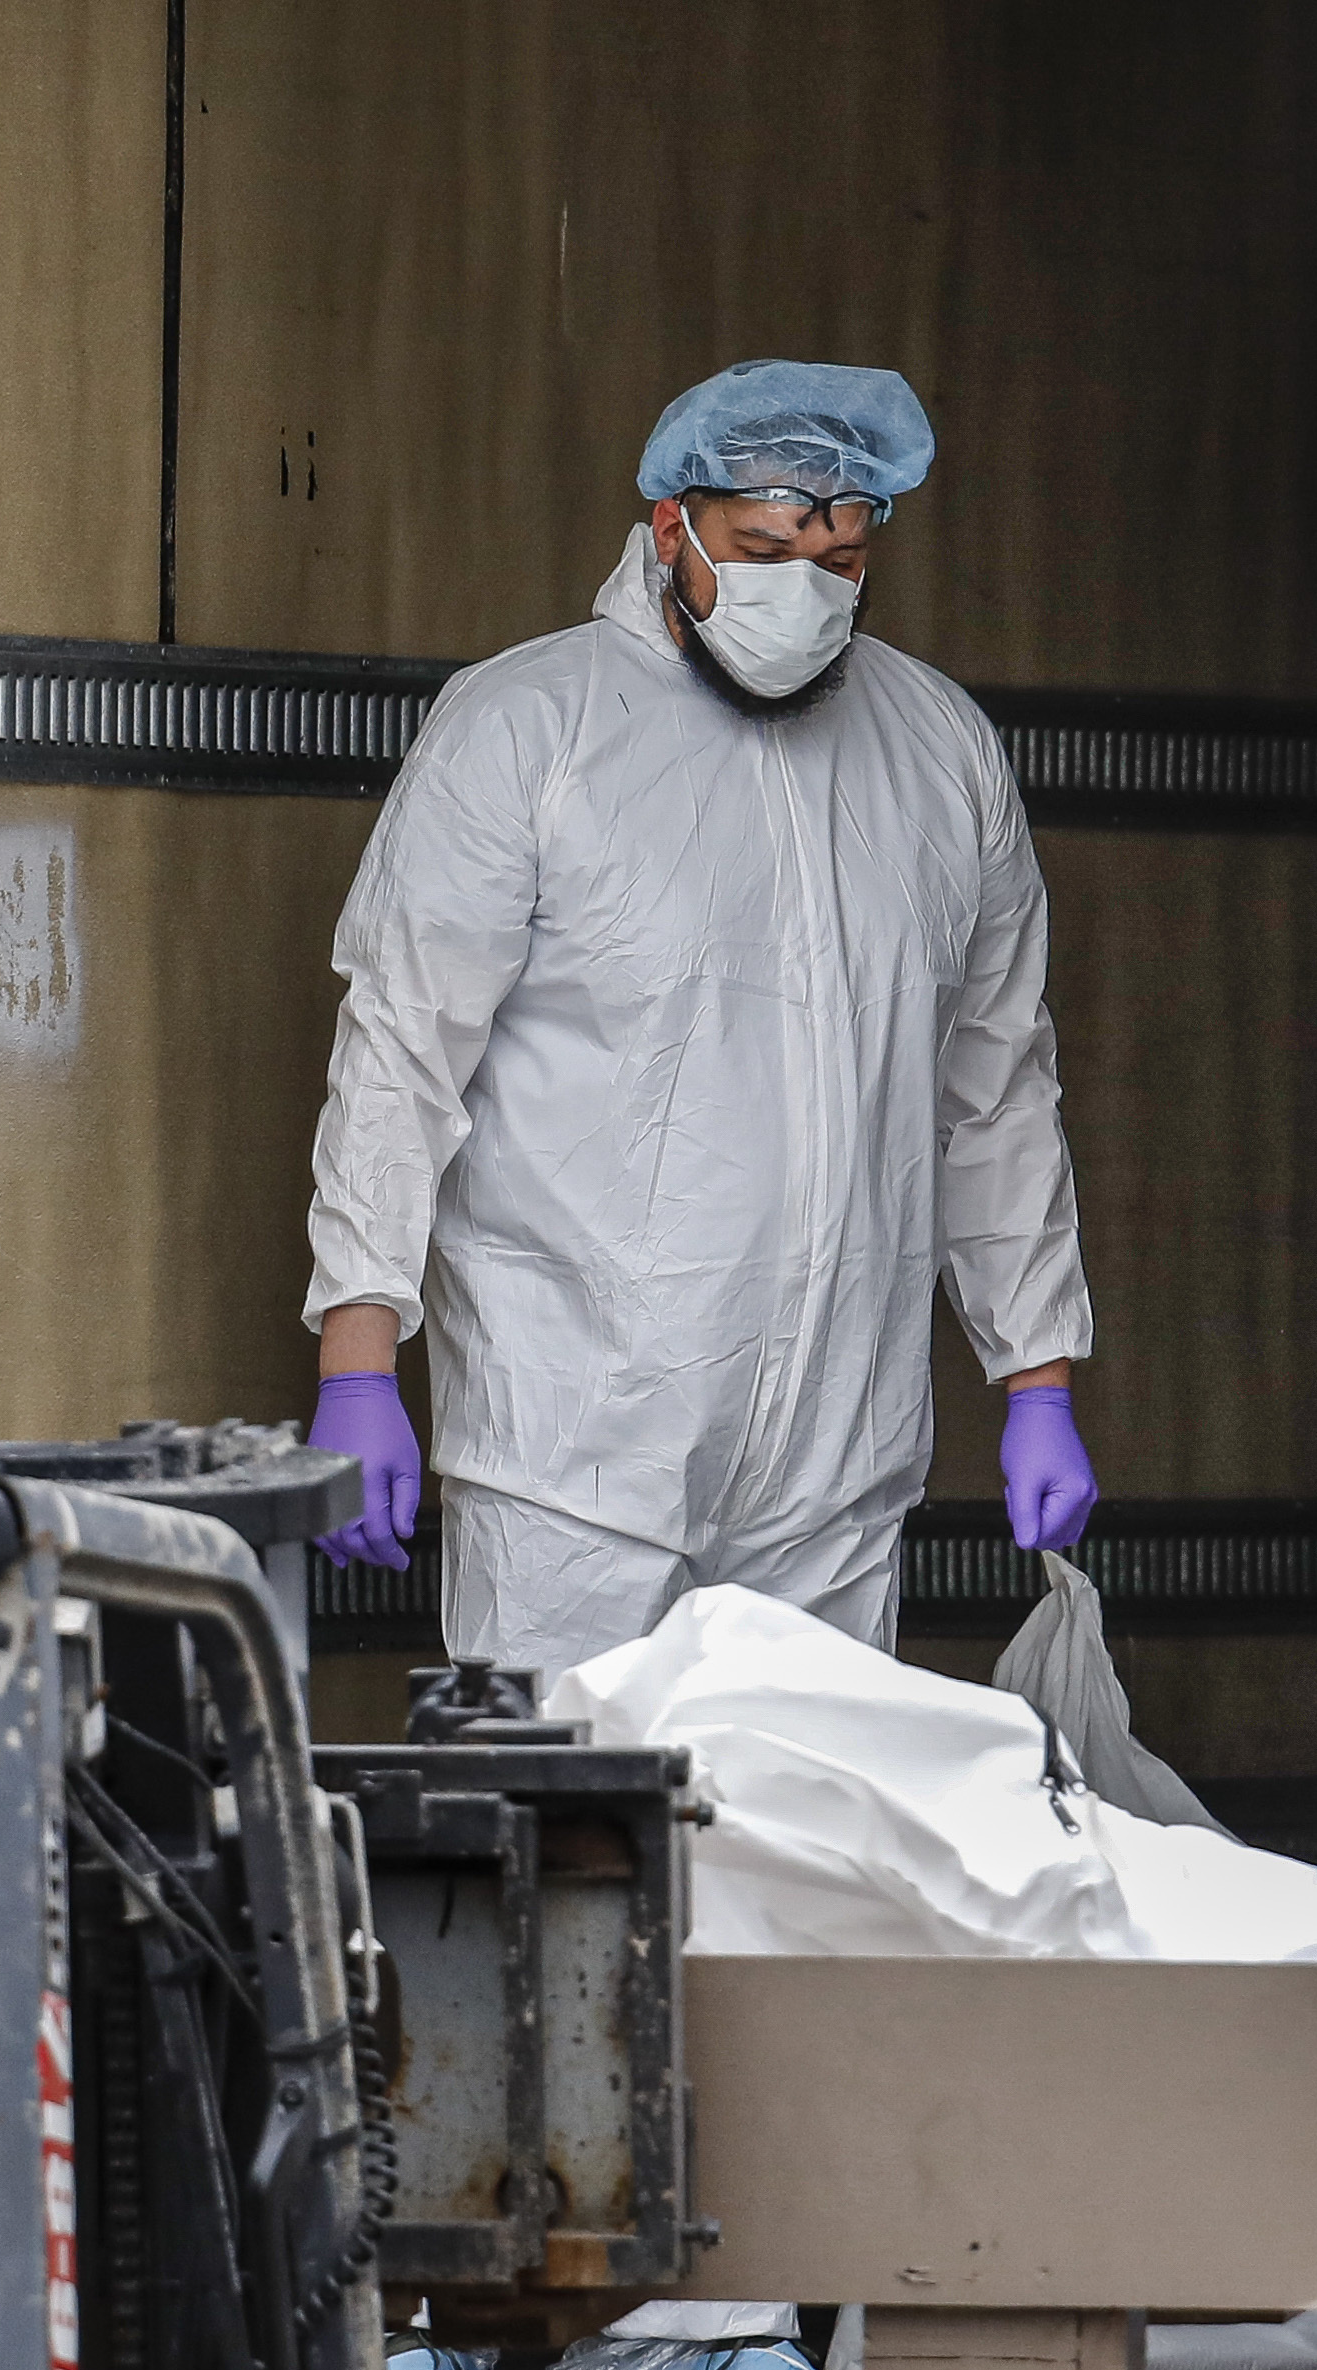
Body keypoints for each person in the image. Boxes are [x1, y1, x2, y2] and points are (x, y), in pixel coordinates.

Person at [299, 357, 1099, 1680]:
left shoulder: (939, 752)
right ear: (670, 524)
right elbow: (399, 1060)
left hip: (837, 1475)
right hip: (574, 1464)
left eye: (841, 556)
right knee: (572, 1865)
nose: (808, 586)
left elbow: (996, 1091)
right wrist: (360, 1357)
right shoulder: (528, 731)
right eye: (766, 547)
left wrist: (1040, 1380)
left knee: (800, 1869)